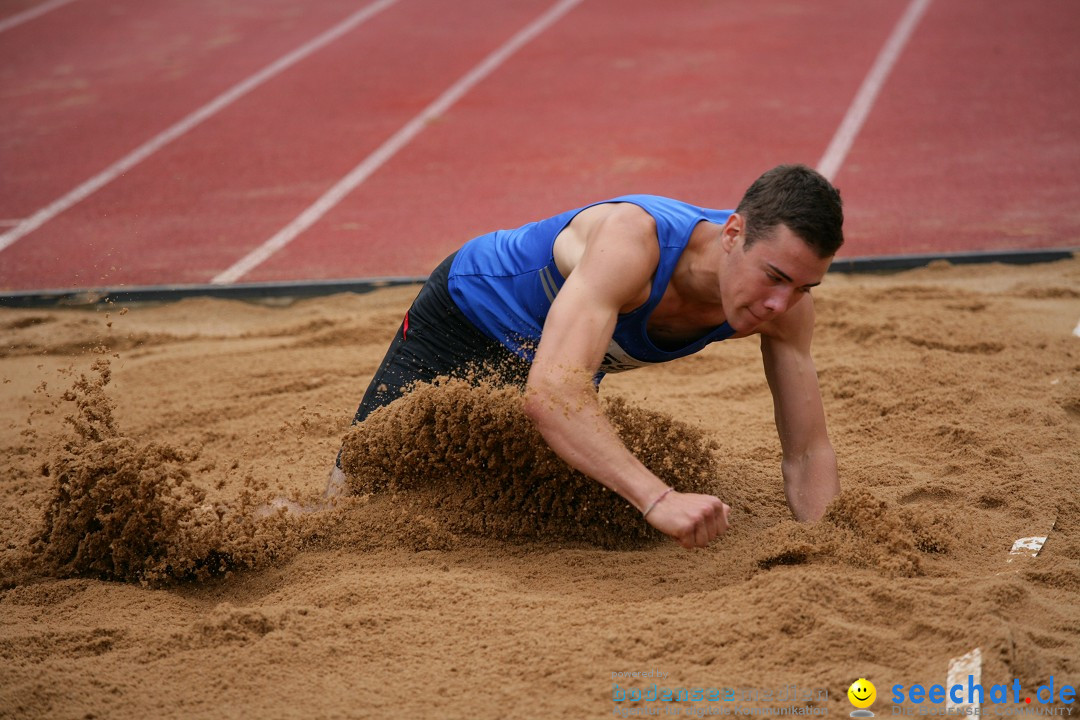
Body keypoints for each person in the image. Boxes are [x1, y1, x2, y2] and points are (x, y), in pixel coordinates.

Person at [328, 164, 843, 550]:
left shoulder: (786, 311)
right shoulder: (633, 242)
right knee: (353, 499)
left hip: (564, 359)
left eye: (804, 286)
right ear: (733, 234)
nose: (781, 302)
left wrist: (826, 543)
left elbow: (807, 451)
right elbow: (553, 395)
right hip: (467, 317)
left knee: (575, 515)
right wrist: (660, 498)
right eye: (774, 276)